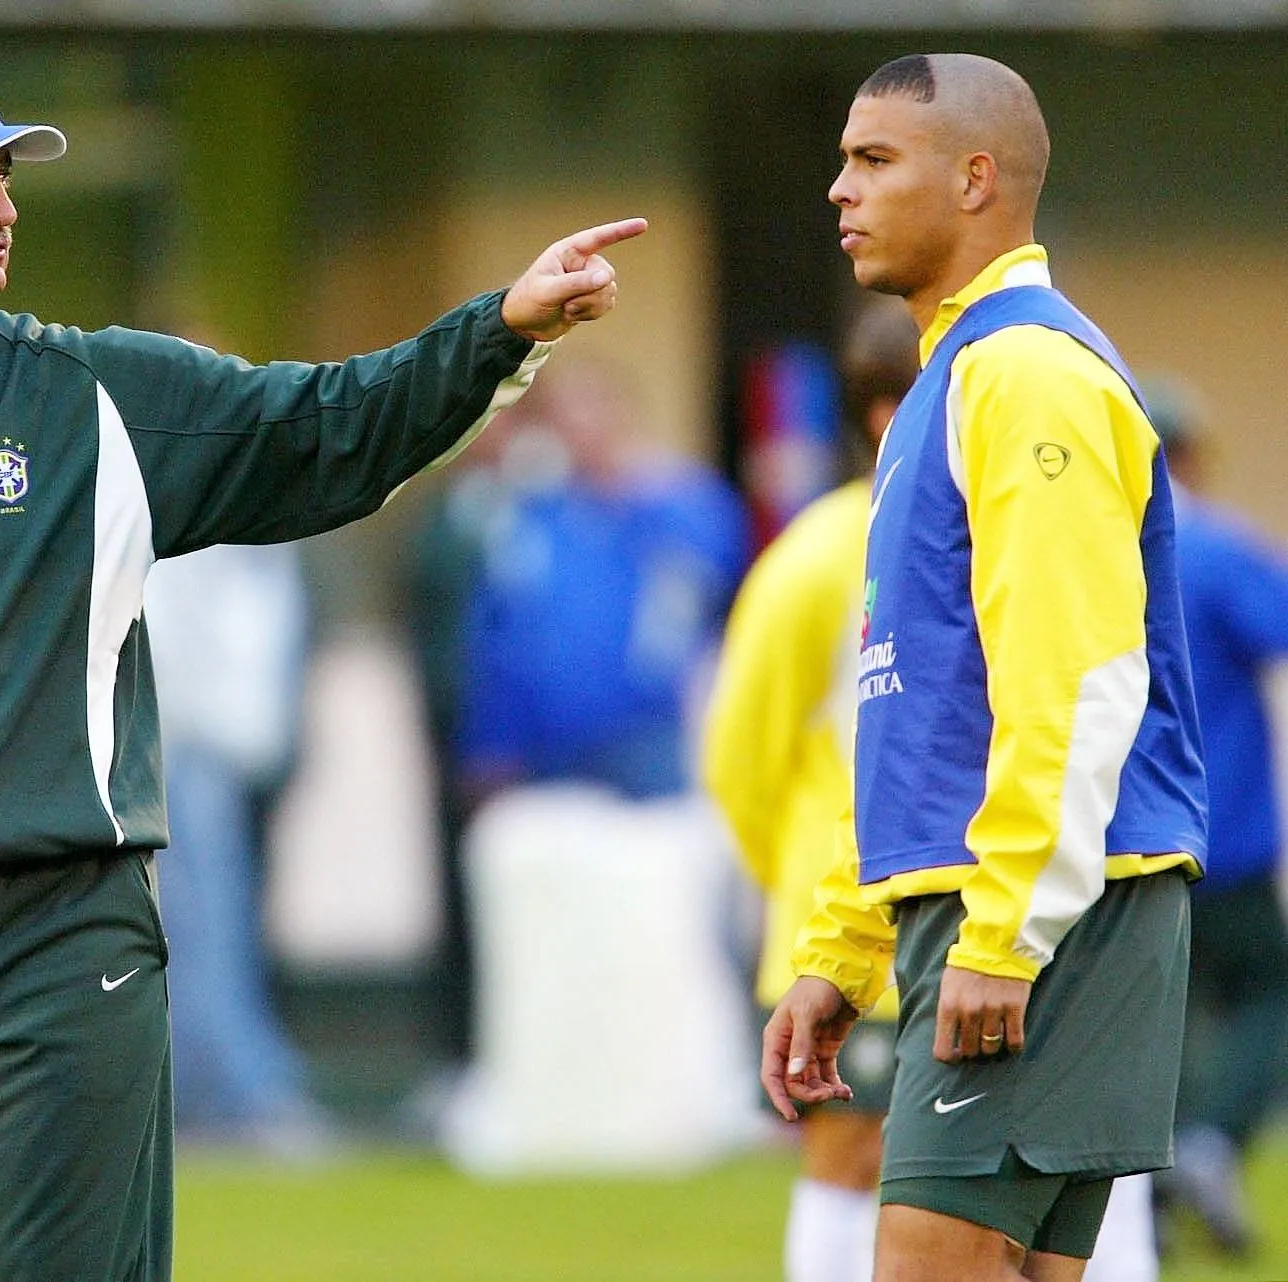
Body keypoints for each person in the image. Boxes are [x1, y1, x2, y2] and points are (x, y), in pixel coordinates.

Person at [0, 64, 644, 1282]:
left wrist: (502, 328)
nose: (3, 204)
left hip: (65, 935)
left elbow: (328, 425)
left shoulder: (93, 394)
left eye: (4, 175)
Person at [760, 53, 1206, 1282]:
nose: (839, 189)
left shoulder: (1028, 375)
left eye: (873, 160)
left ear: (973, 180)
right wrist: (843, 948)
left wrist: (1008, 932)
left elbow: (1077, 679)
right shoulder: (946, 384)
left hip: (1041, 912)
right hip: (992, 901)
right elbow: (908, 709)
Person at [705, 298, 918, 1282]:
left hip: (983, 920)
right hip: (844, 925)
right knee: (849, 1154)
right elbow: (740, 755)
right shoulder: (818, 557)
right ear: (886, 414)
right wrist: (793, 879)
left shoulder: (994, 536)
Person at [456, 357, 750, 804]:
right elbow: (501, 641)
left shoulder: (685, 505)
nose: (581, 424)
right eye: (565, 412)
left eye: (592, 406)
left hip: (652, 740)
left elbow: (720, 605)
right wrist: (491, 744)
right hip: (547, 755)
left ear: (621, 411)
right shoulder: (529, 520)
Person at [1145, 379, 1288, 1258]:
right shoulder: (1211, 548)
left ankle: (1154, 1186)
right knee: (1269, 992)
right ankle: (1208, 1144)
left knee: (1157, 1023)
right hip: (1221, 830)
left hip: (1124, 837)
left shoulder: (1094, 550)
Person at [142, 540, 331, 1155]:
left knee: (230, 922)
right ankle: (238, 1093)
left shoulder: (273, 548)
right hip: (189, 747)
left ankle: (230, 1087)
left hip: (240, 756)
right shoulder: (196, 537)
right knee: (203, 932)